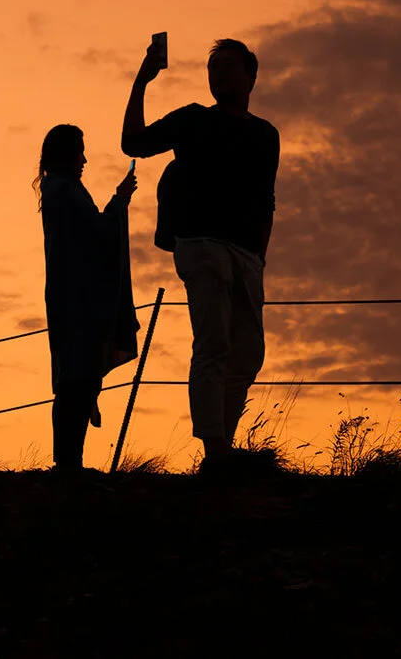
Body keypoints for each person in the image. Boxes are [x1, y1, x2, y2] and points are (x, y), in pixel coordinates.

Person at [120, 37, 280, 473]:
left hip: (246, 253)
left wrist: (260, 257)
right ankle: (215, 450)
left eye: (228, 66)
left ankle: (222, 444)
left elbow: (267, 199)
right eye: (214, 68)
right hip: (202, 245)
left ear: (250, 77)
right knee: (213, 344)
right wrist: (142, 81)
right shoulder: (193, 119)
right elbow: (133, 143)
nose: (219, 73)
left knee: (248, 352)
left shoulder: (266, 135)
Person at [34, 124, 141, 471]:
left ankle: (69, 461)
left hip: (72, 296)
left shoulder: (60, 190)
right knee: (76, 379)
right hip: (77, 300)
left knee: (78, 377)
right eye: (80, 152)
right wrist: (119, 200)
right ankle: (68, 463)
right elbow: (98, 235)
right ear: (67, 154)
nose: (84, 160)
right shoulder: (64, 191)